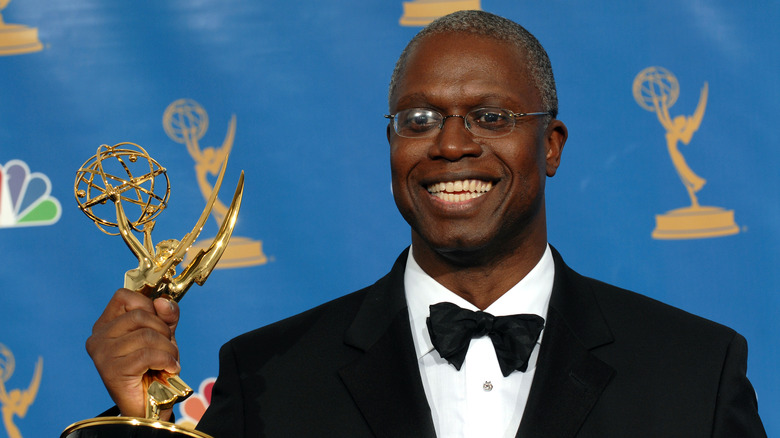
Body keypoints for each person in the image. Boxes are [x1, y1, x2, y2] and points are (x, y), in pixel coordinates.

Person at [86, 10, 767, 437]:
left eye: (491, 117)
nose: (450, 145)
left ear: (551, 146)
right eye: (419, 121)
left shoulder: (694, 371)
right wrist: (135, 418)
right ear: (392, 145)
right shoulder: (268, 376)